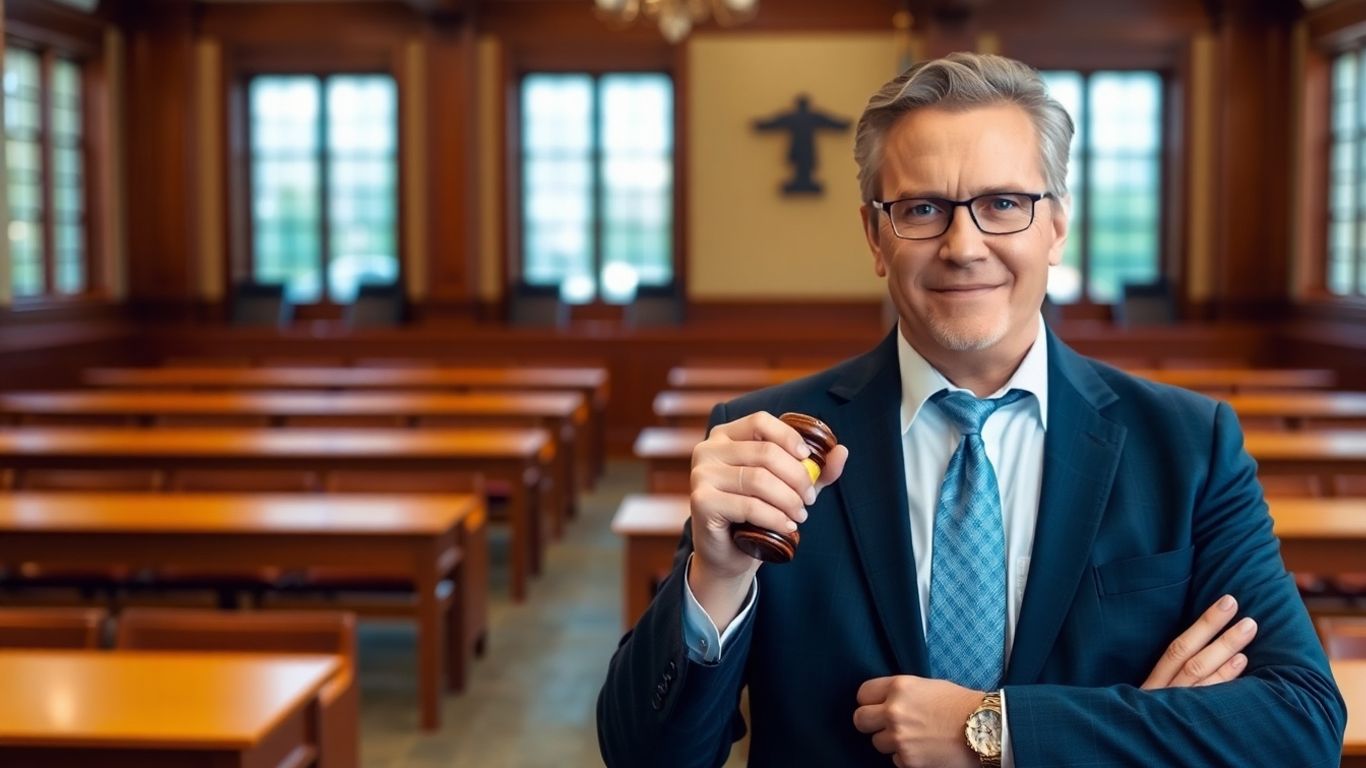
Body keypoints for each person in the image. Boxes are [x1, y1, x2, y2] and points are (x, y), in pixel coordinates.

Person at [597, 52, 1346, 767]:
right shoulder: (771, 443)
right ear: (876, 236)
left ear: (1057, 226)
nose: (964, 245)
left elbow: (1300, 722)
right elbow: (646, 757)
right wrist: (716, 576)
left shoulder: (1188, 445)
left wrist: (997, 730)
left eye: (1003, 204)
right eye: (922, 208)